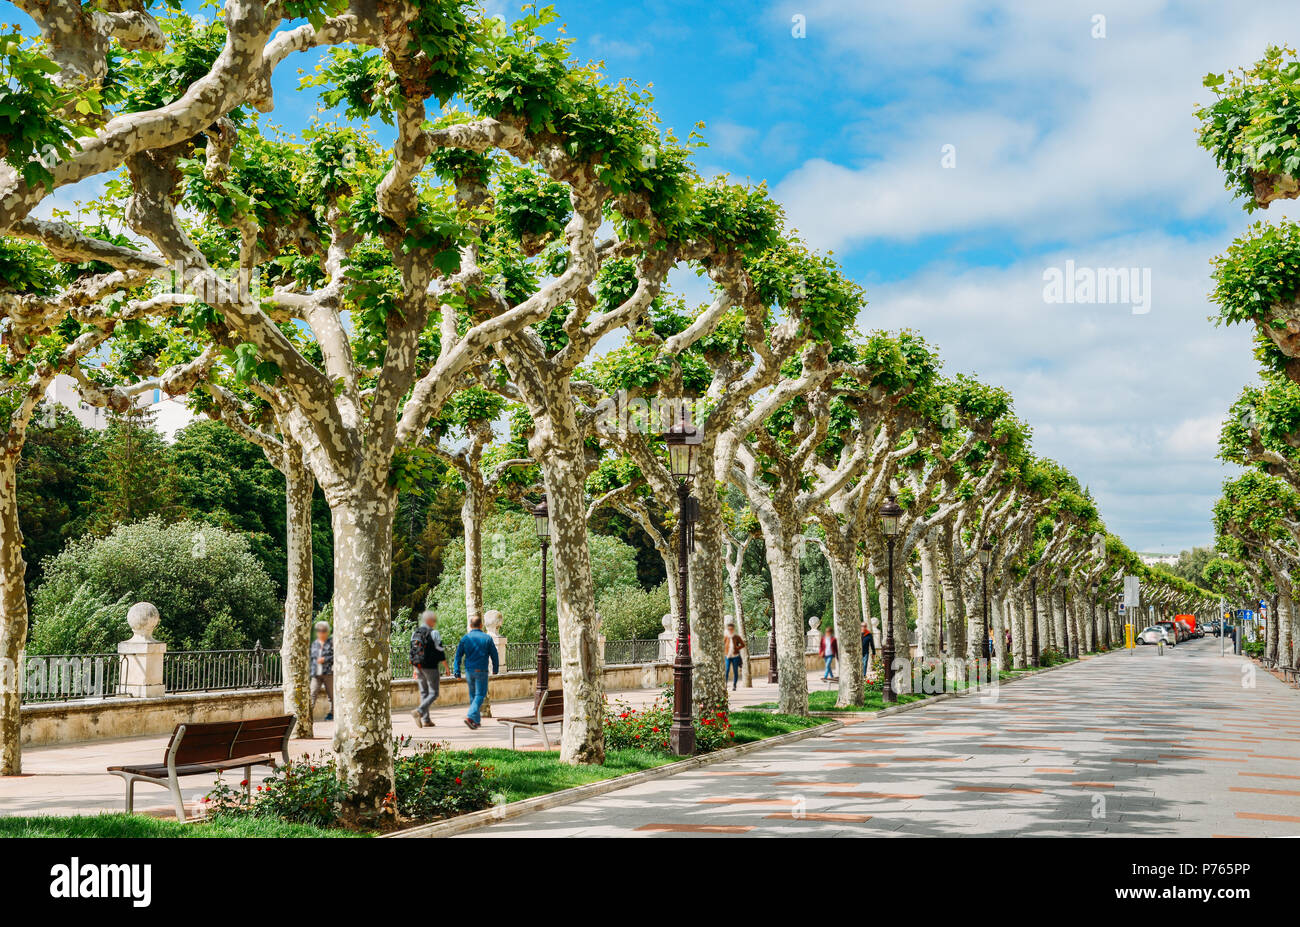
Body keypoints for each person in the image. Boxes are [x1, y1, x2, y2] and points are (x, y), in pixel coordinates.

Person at [453, 614, 500, 730]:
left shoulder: (465, 638)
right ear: (481, 625)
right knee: (480, 695)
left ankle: (476, 721)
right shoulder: (487, 638)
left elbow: (458, 656)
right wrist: (495, 669)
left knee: (473, 696)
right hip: (481, 671)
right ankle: (470, 716)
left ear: (470, 625)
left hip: (469, 671)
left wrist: (457, 671)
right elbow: (495, 655)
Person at [409, 610, 446, 728]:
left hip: (418, 665)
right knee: (434, 693)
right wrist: (446, 666)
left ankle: (426, 720)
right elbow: (440, 650)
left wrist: (414, 668)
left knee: (424, 692)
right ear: (429, 621)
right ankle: (419, 711)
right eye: (434, 620)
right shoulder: (434, 633)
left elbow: (412, 651)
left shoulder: (415, 633)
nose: (435, 622)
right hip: (430, 666)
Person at [309, 620, 334, 722]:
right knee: (312, 693)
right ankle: (308, 714)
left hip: (328, 673)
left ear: (327, 632)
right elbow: (312, 656)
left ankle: (332, 714)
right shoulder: (315, 643)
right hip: (316, 673)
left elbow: (335, 656)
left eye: (323, 630)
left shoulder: (331, 642)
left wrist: (325, 659)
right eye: (319, 630)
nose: (321, 632)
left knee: (332, 695)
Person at [723, 620, 746, 691]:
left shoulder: (736, 637)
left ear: (733, 629)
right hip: (727, 656)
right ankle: (725, 685)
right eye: (729, 629)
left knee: (735, 671)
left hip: (735, 656)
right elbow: (722, 645)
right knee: (726, 670)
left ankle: (734, 686)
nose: (730, 630)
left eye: (731, 629)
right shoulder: (726, 637)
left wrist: (737, 647)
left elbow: (743, 644)